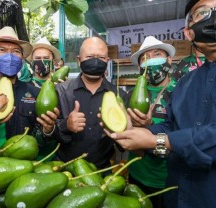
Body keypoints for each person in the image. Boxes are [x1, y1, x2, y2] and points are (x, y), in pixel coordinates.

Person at [102, 0, 216, 207]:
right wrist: (135, 129)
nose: (214, 16)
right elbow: (171, 126)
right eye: (202, 12)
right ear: (189, 33)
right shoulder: (187, 81)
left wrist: (158, 141)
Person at [53, 37, 127, 170]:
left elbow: (124, 145)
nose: (95, 61)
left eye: (101, 57)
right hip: (65, 170)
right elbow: (47, 134)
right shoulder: (60, 91)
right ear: (78, 60)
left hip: (102, 171)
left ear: (107, 61)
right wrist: (66, 125)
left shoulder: (119, 96)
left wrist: (122, 131)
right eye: (90, 56)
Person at [127, 35, 176, 208]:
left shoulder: (181, 92)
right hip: (137, 174)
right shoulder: (130, 95)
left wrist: (148, 131)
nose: (151, 61)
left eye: (156, 54)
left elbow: (183, 137)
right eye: (145, 59)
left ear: (169, 60)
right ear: (140, 67)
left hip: (168, 179)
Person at [26, 37, 62, 160]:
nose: (42, 61)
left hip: (56, 154)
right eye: (37, 58)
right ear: (32, 62)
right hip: (30, 152)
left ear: (53, 61)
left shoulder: (63, 87)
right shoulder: (24, 87)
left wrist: (63, 90)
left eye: (46, 58)